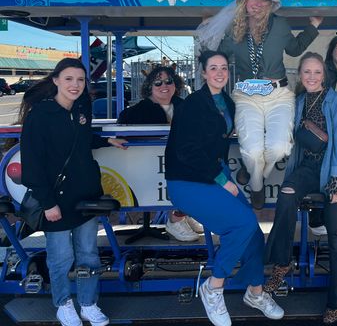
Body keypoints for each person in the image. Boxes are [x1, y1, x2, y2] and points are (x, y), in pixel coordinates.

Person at [165, 51, 284, 326]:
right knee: (243, 224)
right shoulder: (192, 105)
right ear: (203, 73)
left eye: (223, 68)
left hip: (216, 173)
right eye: (213, 68)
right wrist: (224, 181)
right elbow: (186, 152)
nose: (219, 73)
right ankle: (213, 286)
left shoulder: (227, 102)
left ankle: (255, 292)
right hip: (188, 181)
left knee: (253, 233)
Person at [19, 58, 128, 326]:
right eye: (69, 79)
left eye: (80, 80)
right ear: (56, 80)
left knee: (88, 253)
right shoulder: (40, 115)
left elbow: (81, 137)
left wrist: (106, 140)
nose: (75, 85)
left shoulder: (82, 107)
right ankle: (63, 304)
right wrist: (47, 203)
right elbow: (32, 163)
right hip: (55, 198)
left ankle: (88, 303)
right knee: (61, 257)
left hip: (85, 194)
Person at [264, 52, 337, 324]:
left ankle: (336, 302)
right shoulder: (299, 102)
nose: (312, 77)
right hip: (309, 168)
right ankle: (282, 263)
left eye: (317, 72)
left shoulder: (336, 102)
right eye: (307, 72)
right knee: (285, 197)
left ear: (324, 75)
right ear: (300, 75)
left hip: (336, 169)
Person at [218, 0, 323, 209]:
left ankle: (255, 176)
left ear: (270, 5)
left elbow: (294, 49)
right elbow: (220, 57)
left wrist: (313, 27)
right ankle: (257, 187)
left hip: (278, 95)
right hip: (247, 95)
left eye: (264, 0)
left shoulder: (280, 24)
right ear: (244, 0)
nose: (258, 3)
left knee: (279, 148)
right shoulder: (233, 28)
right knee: (253, 150)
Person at [117, 65, 202, 242]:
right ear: (149, 86)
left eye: (168, 81)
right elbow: (122, 131)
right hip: (148, 166)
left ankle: (183, 214)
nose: (164, 85)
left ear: (175, 84)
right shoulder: (135, 112)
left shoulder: (184, 106)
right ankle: (176, 219)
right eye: (158, 82)